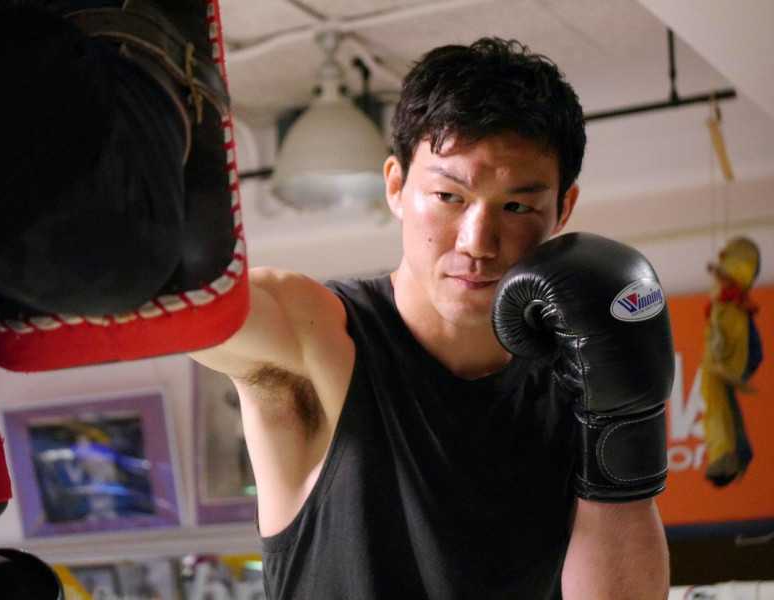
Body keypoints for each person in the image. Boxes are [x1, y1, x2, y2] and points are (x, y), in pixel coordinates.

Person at [191, 38, 672, 599]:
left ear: (562, 210)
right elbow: (192, 311)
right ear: (396, 186)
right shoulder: (320, 339)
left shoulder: (575, 381)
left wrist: (622, 425)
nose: (477, 242)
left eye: (517, 206)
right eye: (449, 196)